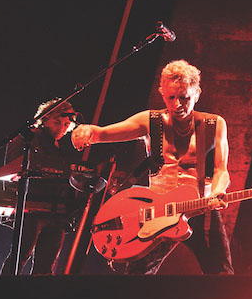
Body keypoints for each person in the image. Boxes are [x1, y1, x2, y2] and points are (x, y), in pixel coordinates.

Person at [72, 59, 233, 274]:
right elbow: (103, 133)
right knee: (138, 272)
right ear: (162, 92)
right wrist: (87, 131)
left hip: (200, 206)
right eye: (171, 97)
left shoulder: (213, 124)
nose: (177, 104)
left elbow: (222, 168)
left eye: (184, 98)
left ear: (197, 94)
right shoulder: (151, 121)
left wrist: (218, 192)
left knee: (221, 274)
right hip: (158, 209)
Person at [0, 99, 84, 274]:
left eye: (66, 124)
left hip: (56, 211)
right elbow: (12, 168)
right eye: (57, 122)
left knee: (45, 267)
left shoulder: (59, 148)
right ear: (44, 119)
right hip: (31, 207)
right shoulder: (27, 138)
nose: (62, 128)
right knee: (20, 257)